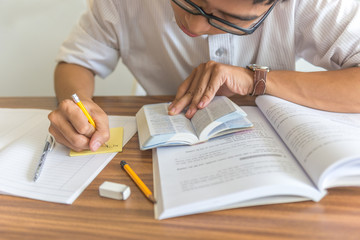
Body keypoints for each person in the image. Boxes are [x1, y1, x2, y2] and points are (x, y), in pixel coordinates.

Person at [48, 0, 360, 152]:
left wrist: (256, 81)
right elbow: (75, 62)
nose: (194, 28)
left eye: (230, 19)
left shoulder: (314, 3)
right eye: (189, 0)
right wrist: (78, 105)